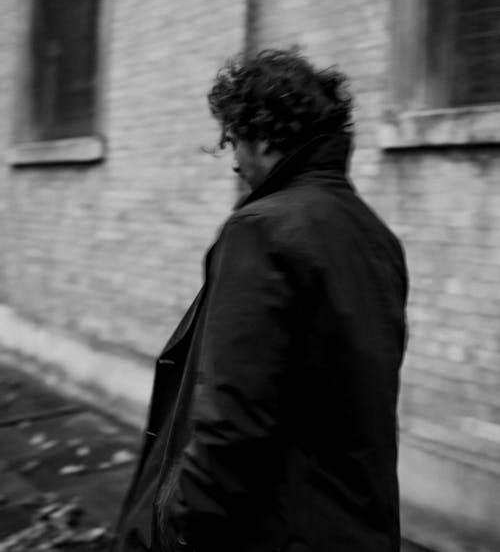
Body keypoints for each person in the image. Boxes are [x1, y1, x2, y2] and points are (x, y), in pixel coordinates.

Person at [113, 48, 408, 552]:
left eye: (236, 142)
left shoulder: (261, 229)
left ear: (268, 136)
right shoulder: (373, 234)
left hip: (276, 530)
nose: (235, 164)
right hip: (358, 524)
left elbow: (231, 419)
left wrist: (176, 530)